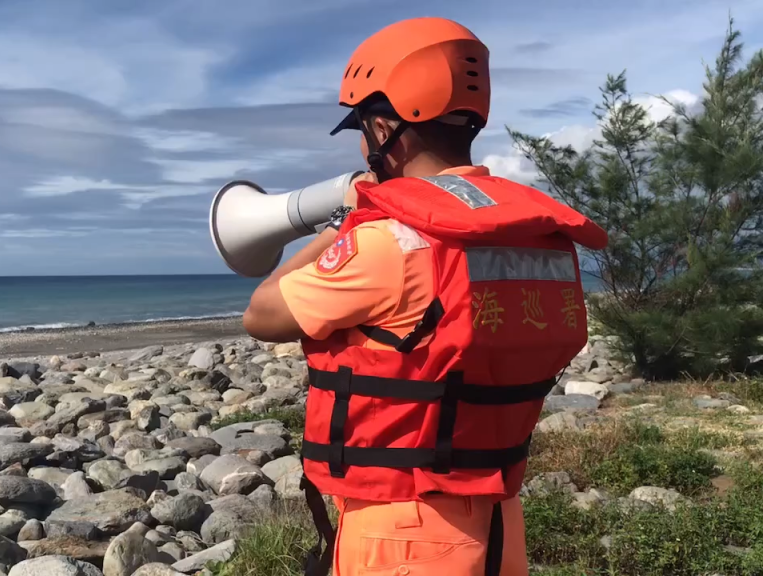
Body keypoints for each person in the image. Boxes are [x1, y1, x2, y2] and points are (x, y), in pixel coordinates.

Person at [243, 17, 608, 576]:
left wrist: (342, 222)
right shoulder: (538, 237)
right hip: (500, 522)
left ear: (386, 125)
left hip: (401, 531)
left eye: (363, 127)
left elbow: (263, 313)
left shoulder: (389, 241)